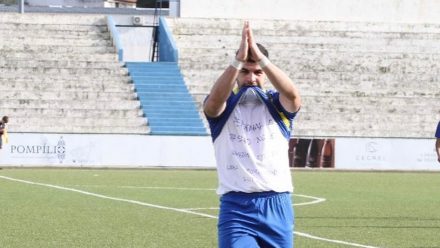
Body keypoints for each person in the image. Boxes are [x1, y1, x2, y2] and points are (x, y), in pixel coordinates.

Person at [204, 21, 301, 248]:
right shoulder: (225, 105)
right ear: (237, 74)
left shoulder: (277, 104)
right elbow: (213, 103)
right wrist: (237, 60)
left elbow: (293, 95)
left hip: (277, 204)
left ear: (265, 73)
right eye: (245, 72)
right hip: (236, 207)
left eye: (258, 72)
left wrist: (262, 60)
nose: (251, 78)